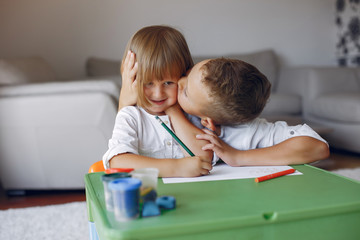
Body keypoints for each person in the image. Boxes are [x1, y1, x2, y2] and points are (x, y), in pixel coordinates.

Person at [102, 25, 213, 178]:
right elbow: (117, 162)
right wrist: (177, 168)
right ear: (133, 79)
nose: (158, 93)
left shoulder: (191, 112)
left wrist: (173, 111)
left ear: (184, 78)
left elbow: (205, 157)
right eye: (148, 83)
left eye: (168, 83)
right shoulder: (131, 116)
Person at [177, 58, 330, 166]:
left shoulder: (252, 131)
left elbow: (318, 147)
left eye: (185, 92)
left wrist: (238, 157)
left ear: (207, 121)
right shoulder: (180, 112)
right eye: (187, 74)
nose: (178, 81)